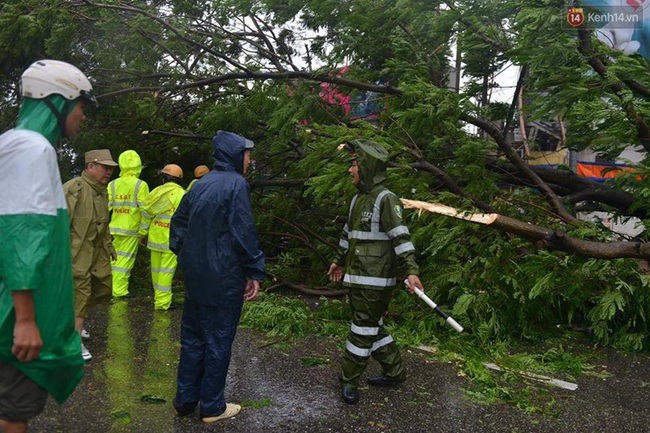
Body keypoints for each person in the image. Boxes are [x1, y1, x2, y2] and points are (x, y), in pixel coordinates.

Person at [0, 59, 94, 432]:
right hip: (16, 315)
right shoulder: (33, 149)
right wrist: (25, 319)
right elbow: (24, 233)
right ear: (59, 101)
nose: (82, 117)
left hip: (11, 306)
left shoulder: (12, 142)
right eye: (81, 106)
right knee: (14, 411)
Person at [170, 130, 265, 423]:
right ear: (236, 155)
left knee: (193, 338)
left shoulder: (201, 184)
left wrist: (187, 254)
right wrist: (254, 270)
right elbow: (243, 232)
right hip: (223, 277)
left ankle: (185, 400)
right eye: (247, 155)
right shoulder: (236, 184)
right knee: (218, 339)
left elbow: (178, 224)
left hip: (197, 276)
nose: (250, 160)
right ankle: (212, 406)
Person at [327, 139, 424, 405]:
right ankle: (395, 372)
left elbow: (401, 238)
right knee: (372, 326)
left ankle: (349, 382)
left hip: (376, 281)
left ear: (367, 166)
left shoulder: (386, 199)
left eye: (354, 164)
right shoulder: (357, 199)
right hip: (357, 278)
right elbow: (349, 235)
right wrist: (338, 260)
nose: (350, 171)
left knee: (362, 330)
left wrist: (411, 271)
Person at [63, 149, 118, 362]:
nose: (109, 172)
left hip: (97, 253)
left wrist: (110, 246)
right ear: (90, 166)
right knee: (80, 293)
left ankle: (77, 321)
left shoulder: (102, 191)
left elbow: (103, 224)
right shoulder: (74, 188)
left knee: (103, 288)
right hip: (75, 253)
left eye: (111, 168)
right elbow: (58, 223)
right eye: (105, 167)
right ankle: (73, 341)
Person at [139, 164, 186, 310]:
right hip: (171, 239)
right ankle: (163, 303)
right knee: (166, 271)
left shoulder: (156, 192)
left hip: (155, 236)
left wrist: (142, 233)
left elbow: (146, 214)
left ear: (164, 179)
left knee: (156, 270)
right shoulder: (182, 194)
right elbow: (185, 219)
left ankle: (159, 299)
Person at [108, 150, 150, 298]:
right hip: (131, 230)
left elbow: (105, 207)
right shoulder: (141, 185)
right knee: (124, 261)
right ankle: (119, 291)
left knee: (113, 259)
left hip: (113, 228)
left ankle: (111, 289)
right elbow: (145, 211)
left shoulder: (113, 184)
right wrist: (143, 232)